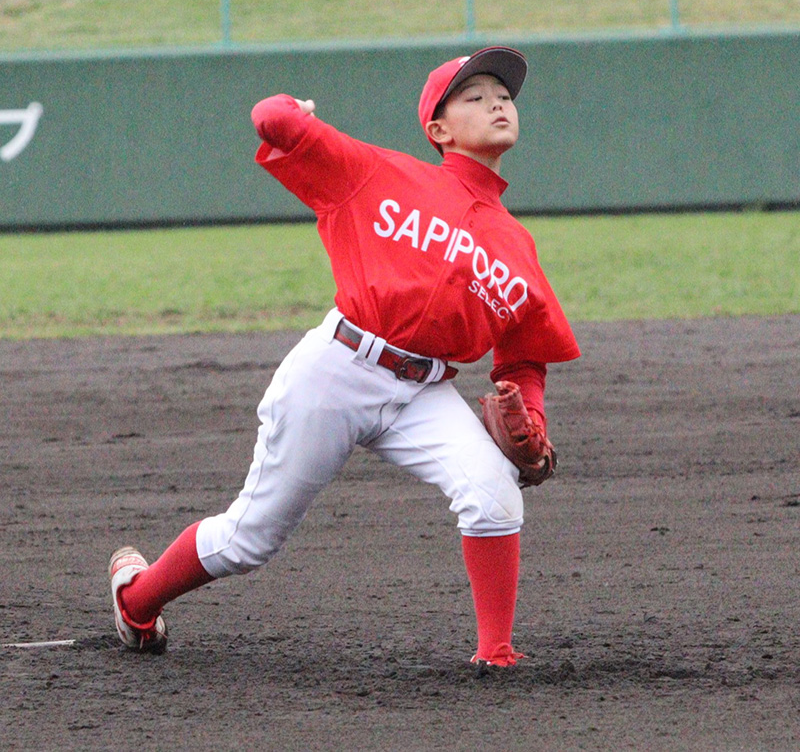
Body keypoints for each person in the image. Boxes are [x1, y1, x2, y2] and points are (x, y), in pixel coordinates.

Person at [109, 46, 580, 667]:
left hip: (423, 393)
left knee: (494, 494)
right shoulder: (376, 173)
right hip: (338, 369)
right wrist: (293, 111)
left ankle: (496, 655)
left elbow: (524, 359)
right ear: (438, 130)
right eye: (475, 95)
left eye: (504, 95)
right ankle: (137, 599)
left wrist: (535, 423)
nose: (497, 102)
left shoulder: (516, 244)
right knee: (251, 540)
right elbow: (270, 120)